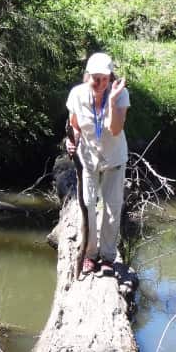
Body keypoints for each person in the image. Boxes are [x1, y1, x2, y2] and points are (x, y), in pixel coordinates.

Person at [65, 52, 130, 275]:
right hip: (88, 158)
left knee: (112, 210)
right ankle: (90, 254)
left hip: (114, 159)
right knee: (88, 204)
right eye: (96, 78)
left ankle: (108, 257)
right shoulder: (77, 94)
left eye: (105, 78)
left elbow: (114, 129)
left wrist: (111, 100)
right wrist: (71, 140)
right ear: (88, 75)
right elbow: (74, 125)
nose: (100, 83)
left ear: (111, 77)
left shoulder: (120, 96)